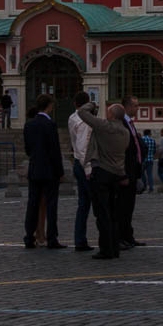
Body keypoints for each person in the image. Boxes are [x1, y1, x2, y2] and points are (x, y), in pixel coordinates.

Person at [76, 101, 129, 259]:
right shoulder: (125, 132)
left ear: (112, 115)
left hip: (102, 173)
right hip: (116, 174)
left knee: (102, 213)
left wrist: (91, 104)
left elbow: (82, 113)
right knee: (113, 213)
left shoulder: (105, 127)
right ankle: (114, 247)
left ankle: (106, 249)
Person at [23, 93, 65, 249]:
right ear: (49, 106)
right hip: (49, 171)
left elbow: (28, 149)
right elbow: (55, 151)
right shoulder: (50, 125)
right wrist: (60, 171)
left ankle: (29, 236)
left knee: (32, 204)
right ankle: (52, 238)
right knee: (51, 205)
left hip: (34, 169)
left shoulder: (29, 125)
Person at [67, 90, 94, 251]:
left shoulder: (72, 117)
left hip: (77, 162)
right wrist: (88, 170)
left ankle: (80, 239)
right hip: (85, 164)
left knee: (83, 204)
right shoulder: (84, 121)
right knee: (95, 202)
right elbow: (84, 147)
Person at [118, 95, 144, 249]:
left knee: (129, 206)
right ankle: (122, 237)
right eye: (135, 105)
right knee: (123, 206)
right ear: (127, 107)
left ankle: (128, 236)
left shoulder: (130, 123)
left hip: (133, 170)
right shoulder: (122, 123)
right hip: (126, 171)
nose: (138, 108)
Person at [140, 129, 156, 194]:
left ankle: (144, 186)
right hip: (150, 159)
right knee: (150, 174)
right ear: (149, 133)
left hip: (143, 159)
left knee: (141, 173)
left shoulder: (142, 139)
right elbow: (154, 151)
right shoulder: (152, 140)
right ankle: (151, 188)